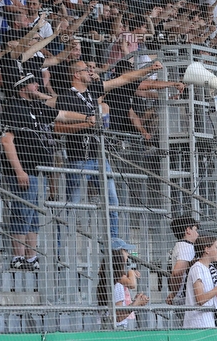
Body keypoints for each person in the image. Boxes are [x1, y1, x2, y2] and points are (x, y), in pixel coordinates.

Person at [58, 59, 164, 239]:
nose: (91, 72)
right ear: (77, 75)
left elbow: (123, 79)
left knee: (112, 202)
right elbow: (57, 128)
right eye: (86, 70)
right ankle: (61, 248)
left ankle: (113, 243)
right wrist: (85, 123)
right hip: (78, 158)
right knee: (72, 204)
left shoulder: (93, 91)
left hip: (100, 158)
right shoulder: (65, 97)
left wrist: (147, 69)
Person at [1, 72, 91, 270]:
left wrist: (86, 118)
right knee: (22, 213)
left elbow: (63, 115)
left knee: (33, 216)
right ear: (23, 87)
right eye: (34, 84)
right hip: (24, 169)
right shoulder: (14, 107)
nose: (38, 87)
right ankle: (18, 257)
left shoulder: (37, 108)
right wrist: (19, 171)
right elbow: (7, 140)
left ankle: (31, 258)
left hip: (37, 170)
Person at [96, 238, 149, 329]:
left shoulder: (108, 278)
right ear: (118, 254)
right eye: (125, 251)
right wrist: (136, 304)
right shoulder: (117, 283)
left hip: (107, 327)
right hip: (115, 329)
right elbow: (118, 317)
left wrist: (135, 301)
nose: (127, 254)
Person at [166, 214, 199, 304]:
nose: (197, 234)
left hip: (183, 296)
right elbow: (177, 272)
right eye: (195, 230)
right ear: (188, 230)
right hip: (185, 297)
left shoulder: (183, 245)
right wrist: (175, 293)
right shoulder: (186, 246)